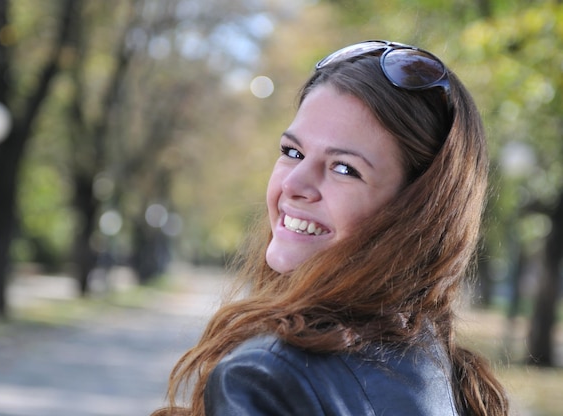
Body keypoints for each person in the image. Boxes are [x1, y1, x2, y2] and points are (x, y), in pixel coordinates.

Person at [153, 40, 509, 415]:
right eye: (293, 153)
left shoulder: (270, 377)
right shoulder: (434, 363)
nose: (293, 185)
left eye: (344, 168)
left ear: (416, 210)